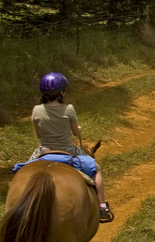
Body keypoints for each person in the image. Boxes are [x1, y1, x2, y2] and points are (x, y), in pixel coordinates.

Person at [30, 72, 113, 223]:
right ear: (61, 92)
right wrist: (78, 130)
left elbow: (39, 135)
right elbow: (76, 132)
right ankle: (102, 207)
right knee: (96, 169)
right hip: (68, 150)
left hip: (44, 151)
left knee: (23, 171)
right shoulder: (68, 109)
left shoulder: (36, 110)